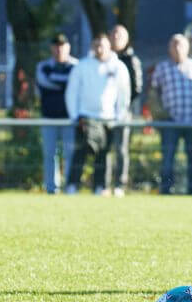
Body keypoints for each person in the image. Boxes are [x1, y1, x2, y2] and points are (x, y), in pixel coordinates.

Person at [64, 33, 131, 195]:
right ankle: (73, 185)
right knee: (81, 151)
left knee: (103, 154)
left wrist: (118, 116)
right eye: (96, 45)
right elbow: (72, 92)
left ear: (109, 46)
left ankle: (100, 187)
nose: (99, 49)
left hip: (108, 119)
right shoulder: (82, 66)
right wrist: (75, 115)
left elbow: (124, 94)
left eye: (103, 45)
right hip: (85, 117)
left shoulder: (118, 67)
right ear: (92, 47)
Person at [150, 34, 192, 195]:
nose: (177, 48)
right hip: (170, 122)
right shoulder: (162, 68)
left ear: (187, 47)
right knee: (168, 160)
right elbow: (153, 95)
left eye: (180, 44)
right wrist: (160, 116)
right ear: (169, 48)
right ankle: (166, 191)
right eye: (174, 45)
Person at [36, 33, 77, 194]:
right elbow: (45, 83)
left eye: (62, 46)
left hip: (70, 118)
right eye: (56, 46)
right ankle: (51, 188)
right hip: (49, 117)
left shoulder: (76, 66)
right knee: (49, 154)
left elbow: (74, 86)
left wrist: (57, 81)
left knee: (69, 154)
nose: (59, 49)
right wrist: (64, 83)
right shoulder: (43, 67)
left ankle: (69, 187)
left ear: (68, 47)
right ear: (51, 48)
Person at [107, 24, 143, 197]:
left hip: (123, 112)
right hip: (103, 112)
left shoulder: (131, 60)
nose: (116, 38)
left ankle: (120, 183)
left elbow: (136, 88)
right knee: (104, 148)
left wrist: (122, 105)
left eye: (120, 35)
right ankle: (103, 183)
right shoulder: (103, 59)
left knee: (121, 149)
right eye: (113, 35)